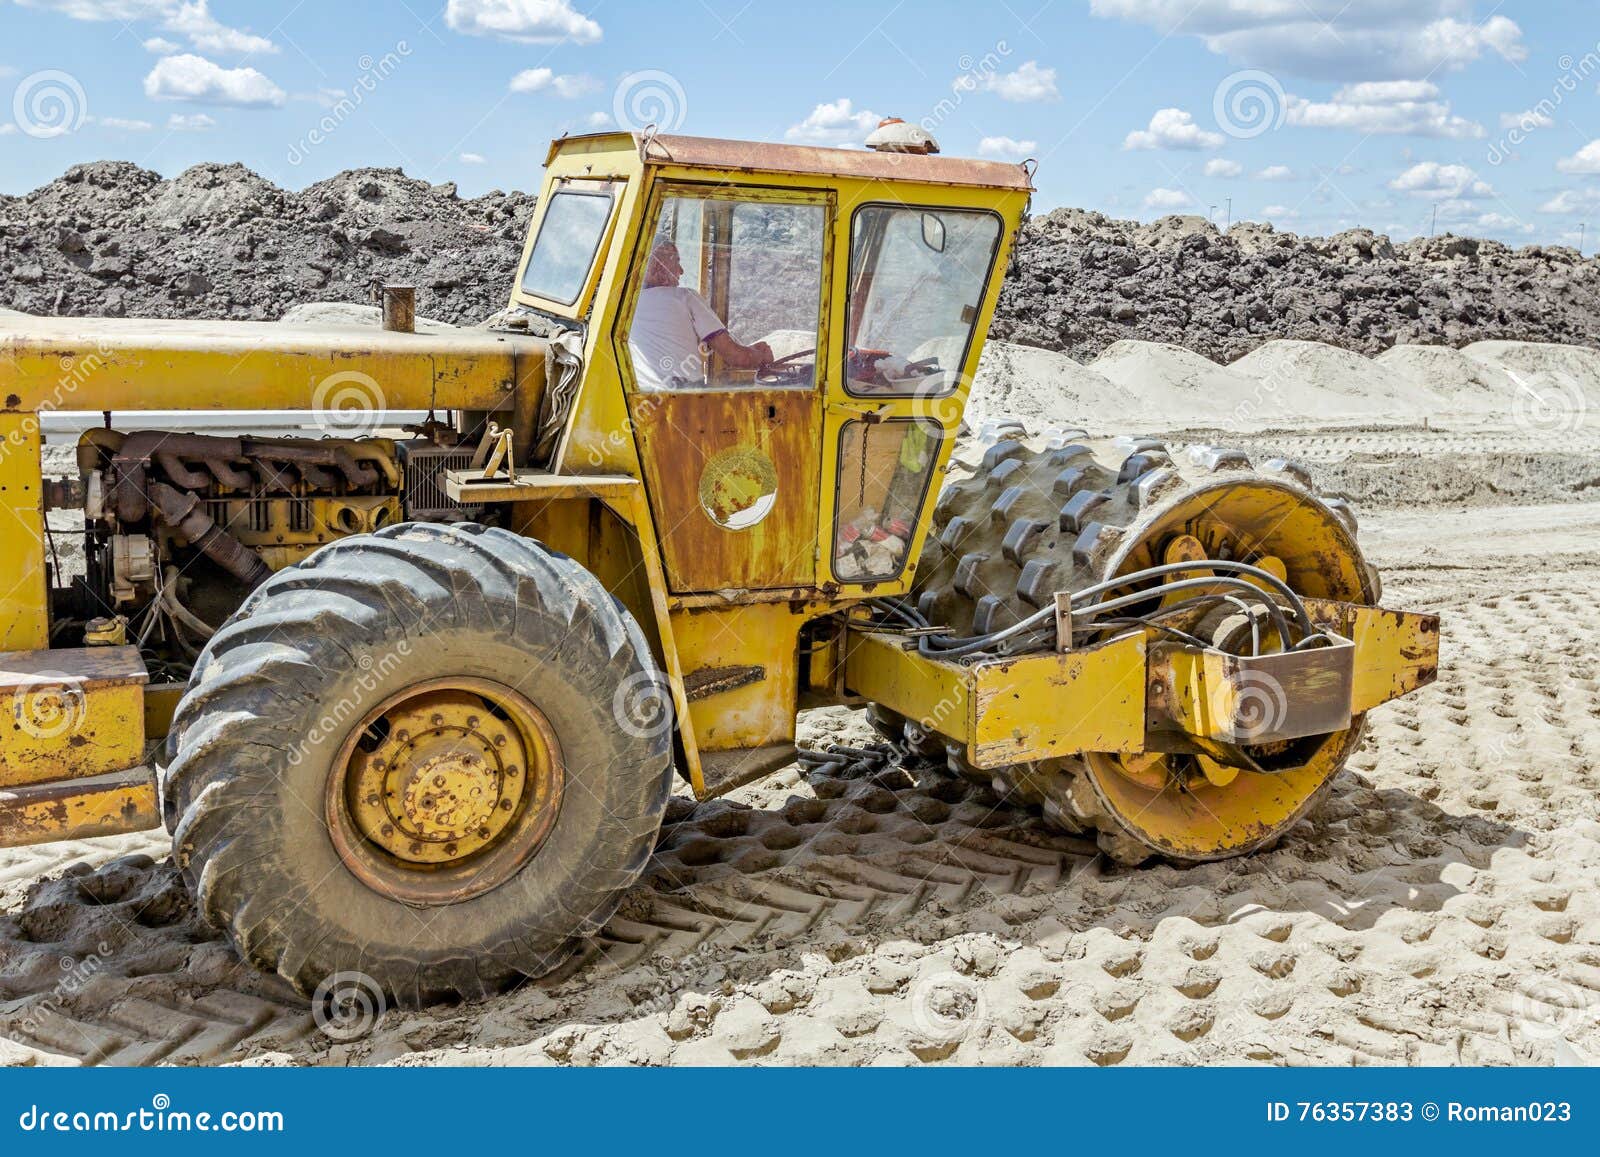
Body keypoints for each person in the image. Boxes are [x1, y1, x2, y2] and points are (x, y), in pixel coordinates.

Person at [629, 241, 774, 388]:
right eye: (676, 261)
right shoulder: (684, 297)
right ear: (658, 265)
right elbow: (736, 357)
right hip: (683, 399)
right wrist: (761, 355)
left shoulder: (629, 306)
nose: (681, 270)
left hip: (642, 397)